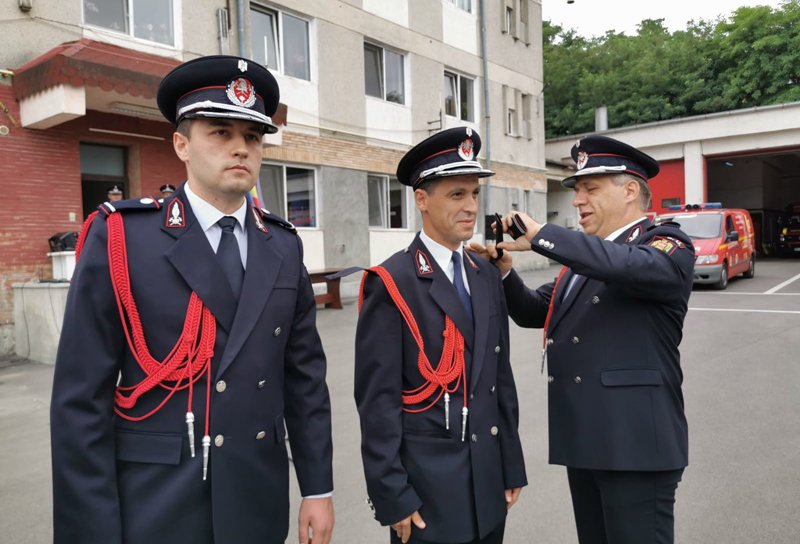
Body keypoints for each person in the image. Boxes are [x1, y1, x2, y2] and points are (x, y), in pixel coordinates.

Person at [50, 55, 334, 544]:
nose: (240, 148)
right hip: (157, 501)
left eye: (252, 137)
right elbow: (80, 402)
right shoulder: (123, 238)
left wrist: (318, 488)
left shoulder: (283, 244)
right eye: (220, 133)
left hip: (257, 496)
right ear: (181, 144)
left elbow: (304, 379)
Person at [470, 135, 695, 544]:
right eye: (577, 190)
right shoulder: (588, 257)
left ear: (630, 190)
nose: (578, 200)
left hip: (635, 449)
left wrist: (545, 236)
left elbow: (628, 266)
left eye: (590, 188)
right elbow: (536, 310)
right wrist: (504, 271)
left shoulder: (665, 244)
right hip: (589, 442)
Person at [354, 127, 527, 544]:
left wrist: (510, 463)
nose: (470, 206)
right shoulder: (393, 281)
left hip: (488, 484)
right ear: (421, 199)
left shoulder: (485, 273)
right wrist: (392, 494)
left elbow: (498, 377)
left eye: (473, 194)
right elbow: (377, 402)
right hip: (427, 496)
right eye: (456, 195)